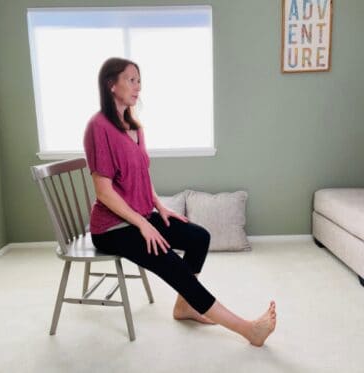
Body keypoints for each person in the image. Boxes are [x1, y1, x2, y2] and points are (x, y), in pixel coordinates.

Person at [84, 57, 276, 347]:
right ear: (112, 84)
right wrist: (144, 225)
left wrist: (159, 207)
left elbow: (142, 173)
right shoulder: (98, 127)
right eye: (131, 80)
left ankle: (185, 305)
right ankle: (249, 330)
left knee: (199, 237)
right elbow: (104, 192)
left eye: (139, 80)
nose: (138, 86)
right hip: (112, 228)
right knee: (172, 264)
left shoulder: (133, 125)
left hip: (139, 216)